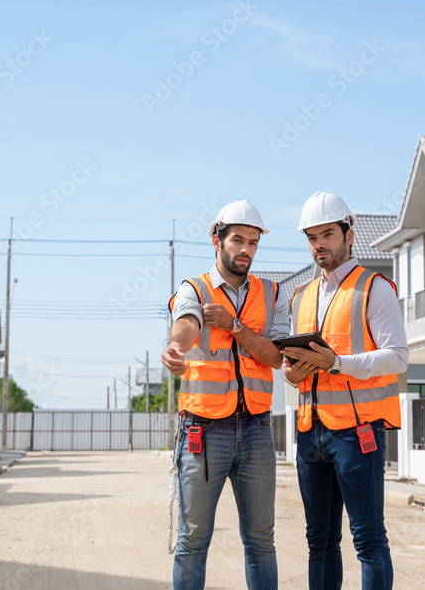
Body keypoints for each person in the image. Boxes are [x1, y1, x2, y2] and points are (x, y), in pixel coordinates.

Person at [281, 191, 409, 590]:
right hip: (309, 432)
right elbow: (297, 371)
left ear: (348, 235)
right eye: (312, 237)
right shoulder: (301, 295)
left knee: (369, 541)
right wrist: (293, 373)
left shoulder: (374, 287)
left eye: (328, 234)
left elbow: (398, 358)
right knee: (319, 542)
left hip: (359, 433)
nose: (320, 244)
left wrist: (337, 363)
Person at [162, 200, 288, 590]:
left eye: (253, 242)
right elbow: (187, 321)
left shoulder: (272, 293)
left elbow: (275, 356)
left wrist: (235, 326)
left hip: (255, 430)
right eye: (238, 240)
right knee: (193, 540)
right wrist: (176, 349)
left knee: (261, 541)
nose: (246, 249)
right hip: (203, 431)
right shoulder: (194, 288)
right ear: (216, 240)